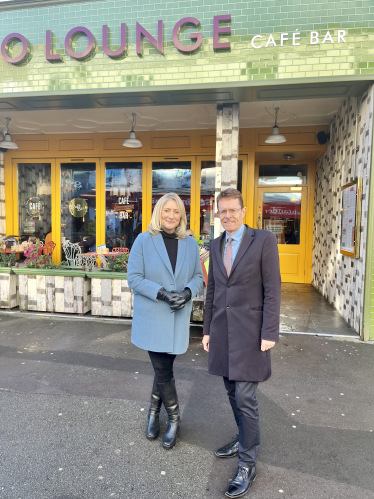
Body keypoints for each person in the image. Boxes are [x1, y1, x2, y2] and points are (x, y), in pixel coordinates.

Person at [202, 188, 281, 498]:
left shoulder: (263, 241)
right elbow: (213, 291)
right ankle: (244, 437)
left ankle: (248, 463)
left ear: (244, 211)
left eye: (233, 210)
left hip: (251, 333)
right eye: (223, 211)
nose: (228, 215)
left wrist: (269, 333)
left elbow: (273, 289)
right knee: (231, 391)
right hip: (222, 332)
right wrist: (207, 329)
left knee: (246, 397)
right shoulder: (216, 243)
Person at [127, 192, 204, 449]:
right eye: (166, 210)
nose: (171, 215)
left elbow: (198, 278)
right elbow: (134, 278)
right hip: (153, 317)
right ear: (158, 212)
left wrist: (186, 293)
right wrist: (161, 293)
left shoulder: (190, 243)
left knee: (163, 371)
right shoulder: (143, 240)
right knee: (163, 370)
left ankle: (152, 413)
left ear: (181, 215)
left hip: (177, 317)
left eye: (176, 211)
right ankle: (173, 419)